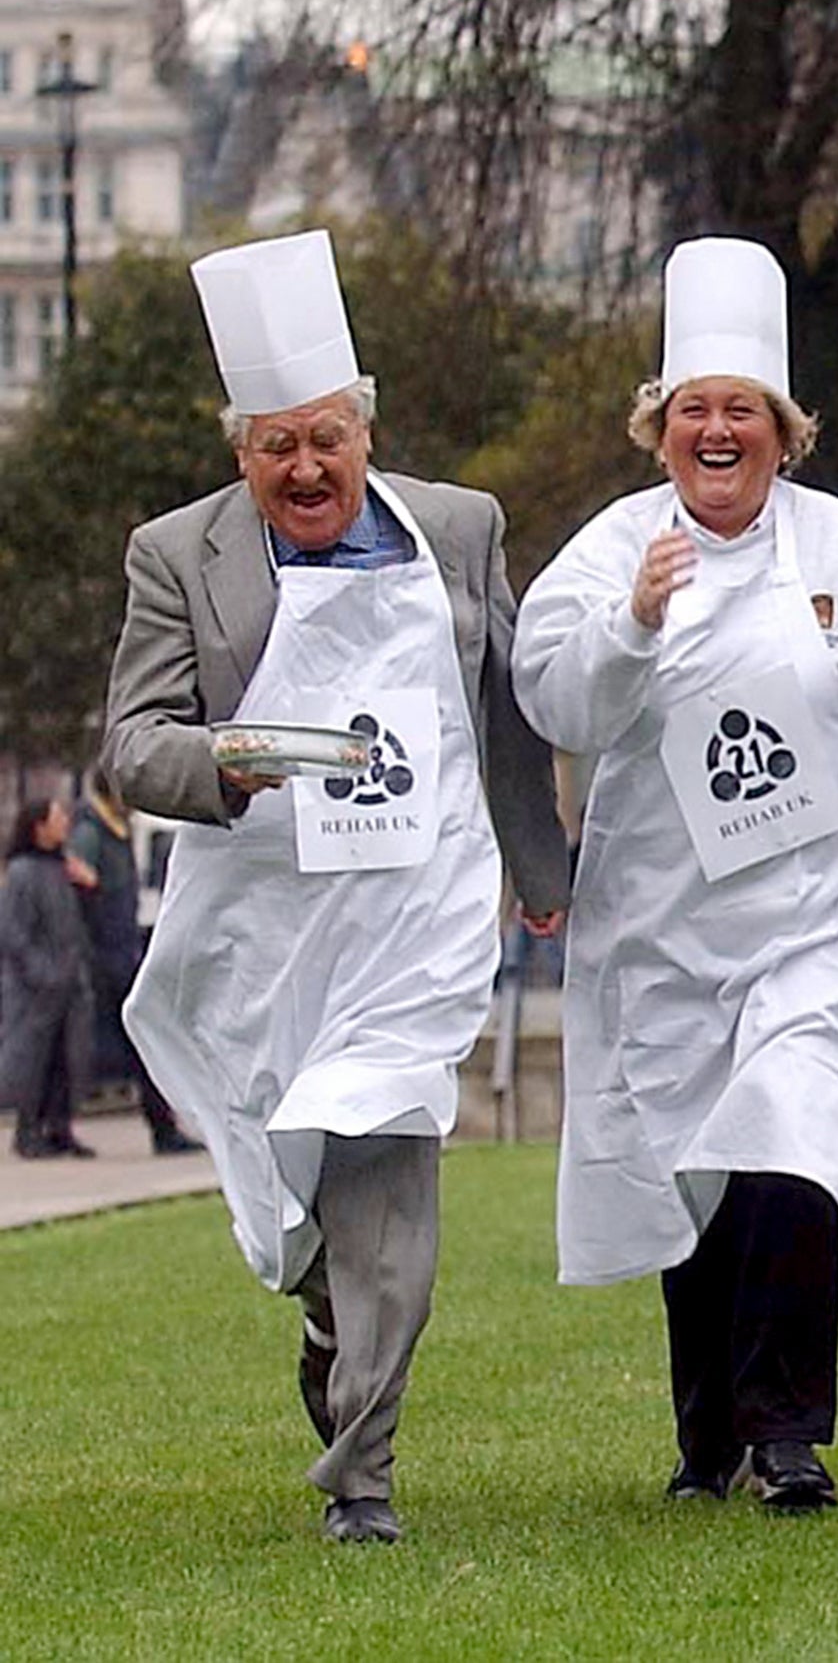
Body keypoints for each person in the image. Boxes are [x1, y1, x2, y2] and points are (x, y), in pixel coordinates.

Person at [515, 237, 838, 1513]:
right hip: (661, 931)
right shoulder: (606, 552)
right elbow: (556, 703)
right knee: (695, 1177)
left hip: (810, 926)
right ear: (661, 429)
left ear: (784, 434)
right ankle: (707, 1440)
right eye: (696, 412)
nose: (718, 431)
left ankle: (789, 1434)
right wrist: (632, 623)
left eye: (743, 411)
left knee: (788, 1146)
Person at [101, 229, 573, 1544]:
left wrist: (539, 867)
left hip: (413, 913)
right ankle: (322, 1319)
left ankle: (360, 1480)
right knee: (295, 1201)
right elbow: (131, 743)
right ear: (239, 450)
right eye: (274, 447)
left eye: (326, 440)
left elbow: (506, 707)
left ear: (364, 430)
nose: (304, 469)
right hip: (258, 925)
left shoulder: (462, 526)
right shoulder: (175, 555)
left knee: (389, 1198)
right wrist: (226, 759)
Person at [65, 771, 202, 1155]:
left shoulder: (116, 829)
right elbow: (82, 879)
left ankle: (163, 1124)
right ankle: (161, 1127)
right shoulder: (93, 832)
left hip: (121, 948)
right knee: (140, 1044)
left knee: (141, 1044)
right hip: (106, 955)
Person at [2, 798, 97, 1161]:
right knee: (33, 1061)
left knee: (67, 1059)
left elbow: (83, 920)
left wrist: (88, 885)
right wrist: (42, 972)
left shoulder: (64, 867)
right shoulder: (23, 871)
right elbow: (13, 931)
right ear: (38, 826)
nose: (66, 823)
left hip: (71, 982)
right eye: (58, 817)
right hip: (37, 989)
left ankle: (60, 1127)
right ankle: (28, 1130)